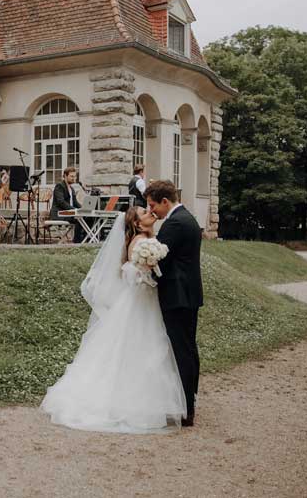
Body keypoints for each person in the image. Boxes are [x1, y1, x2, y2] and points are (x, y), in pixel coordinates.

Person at [41, 205, 186, 432]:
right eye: (144, 213)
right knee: (135, 349)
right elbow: (133, 275)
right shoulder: (139, 242)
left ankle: (149, 403)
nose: (150, 214)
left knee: (148, 349)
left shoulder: (149, 238)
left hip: (146, 302)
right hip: (138, 303)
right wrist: (150, 270)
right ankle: (129, 405)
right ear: (137, 224)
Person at [146, 179, 203, 427]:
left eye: (153, 205)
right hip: (189, 293)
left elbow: (161, 261)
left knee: (181, 350)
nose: (151, 211)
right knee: (188, 348)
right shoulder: (187, 217)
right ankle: (189, 399)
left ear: (165, 201)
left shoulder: (174, 224)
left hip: (177, 296)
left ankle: (186, 408)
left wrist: (143, 273)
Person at [50, 167, 86, 243]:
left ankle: (87, 239)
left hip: (69, 214)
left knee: (87, 218)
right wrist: (74, 210)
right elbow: (61, 202)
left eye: (75, 176)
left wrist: (83, 209)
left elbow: (75, 202)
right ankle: (77, 242)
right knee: (79, 219)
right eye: (72, 176)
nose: (74, 178)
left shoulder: (72, 189)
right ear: (65, 176)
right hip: (58, 214)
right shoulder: (59, 186)